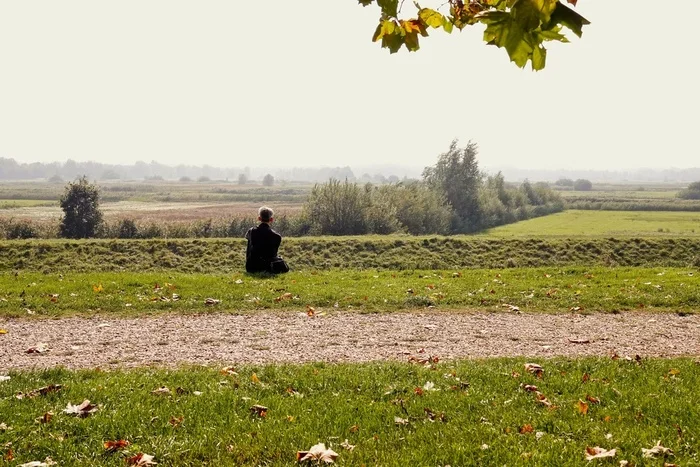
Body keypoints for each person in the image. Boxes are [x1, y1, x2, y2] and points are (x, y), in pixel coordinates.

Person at [244, 206, 289, 273]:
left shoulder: (251, 231)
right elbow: (274, 254)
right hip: (268, 267)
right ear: (271, 219)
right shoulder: (277, 236)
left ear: (259, 218)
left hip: (251, 267)